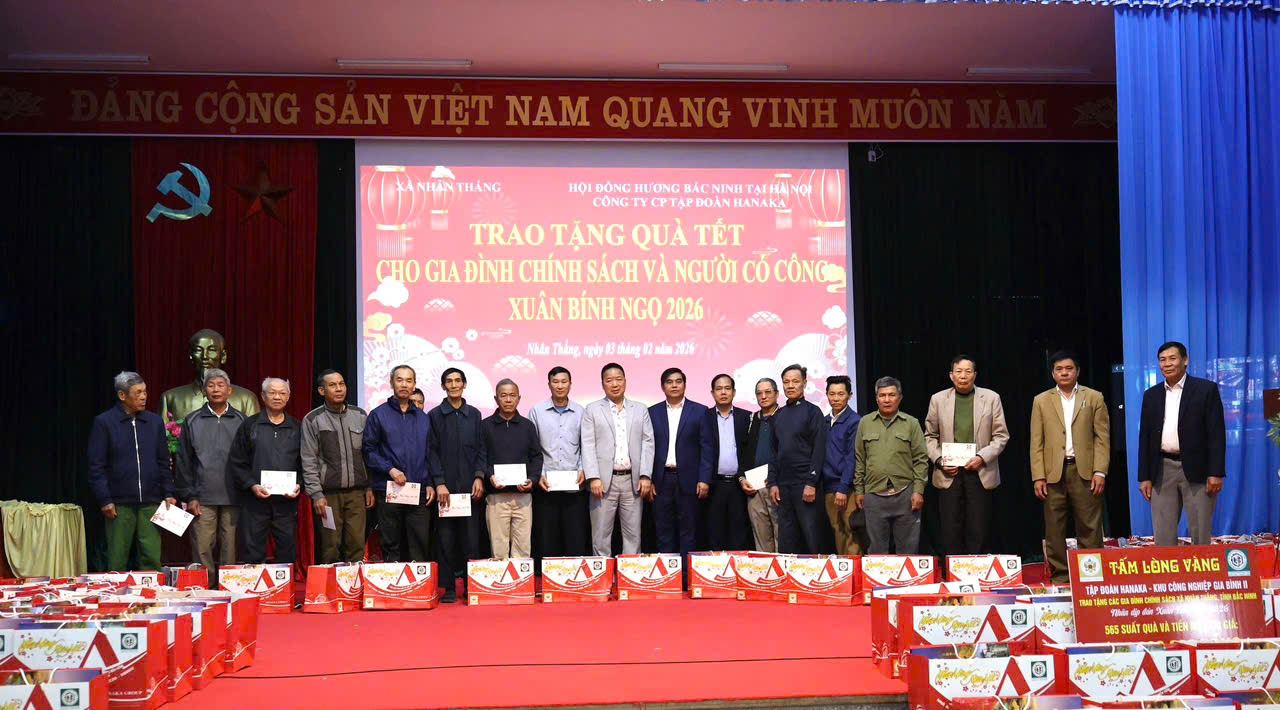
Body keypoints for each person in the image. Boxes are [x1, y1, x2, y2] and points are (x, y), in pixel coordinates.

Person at [1030, 351, 1110, 583]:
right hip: (1052, 474)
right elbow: (1036, 442)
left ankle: (1091, 577)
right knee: (1054, 529)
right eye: (1059, 369)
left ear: (1077, 371)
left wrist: (1100, 471)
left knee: (1089, 527)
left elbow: (1102, 438)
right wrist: (1038, 476)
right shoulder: (1041, 400)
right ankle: (1061, 579)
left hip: (1085, 472)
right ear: (1053, 373)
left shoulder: (1094, 397)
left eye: (1069, 368)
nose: (1064, 373)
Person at [1138, 341, 1226, 546]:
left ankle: (1201, 567)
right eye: (1162, 360)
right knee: (1163, 535)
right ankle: (1167, 568)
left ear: (1185, 360)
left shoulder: (1205, 390)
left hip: (1198, 469)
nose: (1167, 364)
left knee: (1200, 532)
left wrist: (1215, 472)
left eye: (1172, 358)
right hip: (1162, 469)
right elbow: (1145, 438)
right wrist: (1145, 477)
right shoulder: (1151, 395)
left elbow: (1216, 434)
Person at [88, 371, 176, 571]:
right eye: (138, 393)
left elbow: (164, 462)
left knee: (151, 556)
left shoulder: (154, 422)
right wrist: (104, 499)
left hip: (152, 501)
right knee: (117, 558)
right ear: (122, 395)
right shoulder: (104, 422)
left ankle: (152, 589)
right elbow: (96, 466)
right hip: (119, 504)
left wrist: (169, 492)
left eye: (145, 392)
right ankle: (117, 591)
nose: (144, 397)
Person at [924, 355, 1010, 557]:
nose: (963, 376)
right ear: (951, 375)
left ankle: (976, 568)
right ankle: (953, 570)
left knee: (978, 527)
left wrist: (981, 457)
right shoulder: (938, 399)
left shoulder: (991, 398)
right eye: (959, 372)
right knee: (950, 528)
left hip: (980, 470)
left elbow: (1001, 435)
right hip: (949, 472)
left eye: (968, 371)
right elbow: (929, 436)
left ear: (975, 375)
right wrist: (940, 460)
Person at [176, 368, 248, 574]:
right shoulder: (192, 420)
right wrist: (190, 495)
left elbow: (249, 460)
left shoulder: (242, 421)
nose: (216, 390)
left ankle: (228, 585)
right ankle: (204, 585)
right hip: (202, 497)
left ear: (229, 390)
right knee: (202, 546)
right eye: (211, 385)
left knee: (231, 547)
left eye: (220, 385)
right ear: (203, 390)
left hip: (234, 496)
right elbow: (184, 462)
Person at [581, 363, 655, 557]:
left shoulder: (640, 409)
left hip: (633, 481)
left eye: (618, 379)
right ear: (602, 384)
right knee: (601, 535)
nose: (614, 384)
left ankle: (629, 572)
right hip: (603, 482)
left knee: (633, 535)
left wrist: (645, 475)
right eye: (609, 380)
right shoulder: (592, 409)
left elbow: (648, 443)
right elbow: (587, 445)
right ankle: (602, 573)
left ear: (625, 381)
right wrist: (593, 477)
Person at [364, 365, 435, 563]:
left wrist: (430, 482)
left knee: (419, 544)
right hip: (389, 489)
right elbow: (369, 451)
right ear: (391, 383)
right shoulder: (378, 414)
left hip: (418, 491)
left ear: (414, 385)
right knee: (391, 544)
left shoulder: (423, 418)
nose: (404, 384)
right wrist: (390, 469)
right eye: (399, 380)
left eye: (409, 380)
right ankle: (393, 582)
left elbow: (430, 454)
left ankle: (419, 583)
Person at [228, 377, 303, 565]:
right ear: (263, 396)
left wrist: (299, 484)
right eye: (272, 392)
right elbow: (237, 462)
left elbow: (306, 463)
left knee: (287, 549)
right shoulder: (249, 425)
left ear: (288, 397)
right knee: (253, 550)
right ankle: (255, 583)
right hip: (255, 501)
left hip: (286, 502)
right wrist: (252, 485)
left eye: (282, 393)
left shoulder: (298, 427)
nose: (277, 397)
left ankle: (285, 583)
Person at [302, 369, 373, 564]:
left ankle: (354, 583)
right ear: (321, 391)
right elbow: (308, 459)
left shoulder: (360, 415)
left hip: (357, 494)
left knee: (356, 544)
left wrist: (369, 486)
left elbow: (368, 454)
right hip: (328, 496)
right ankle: (330, 584)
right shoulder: (313, 419)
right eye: (333, 385)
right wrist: (316, 494)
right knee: (330, 545)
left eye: (341, 384)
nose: (339, 389)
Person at [851, 376, 928, 554]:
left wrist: (918, 490)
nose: (887, 399)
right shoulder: (865, 423)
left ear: (900, 398)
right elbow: (860, 459)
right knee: (876, 552)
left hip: (906, 494)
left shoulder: (911, 423)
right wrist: (859, 490)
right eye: (882, 395)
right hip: (873, 495)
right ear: (876, 398)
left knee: (908, 551)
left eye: (891, 395)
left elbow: (921, 459)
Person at [429, 367, 487, 602]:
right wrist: (439, 483)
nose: (453, 385)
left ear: (464, 384)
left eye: (457, 381)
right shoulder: (434, 415)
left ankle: (472, 587)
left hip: (470, 489)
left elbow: (482, 449)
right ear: (443, 386)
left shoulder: (474, 414)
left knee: (471, 540)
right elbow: (431, 452)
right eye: (449, 381)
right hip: (446, 490)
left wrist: (479, 476)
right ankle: (450, 588)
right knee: (446, 540)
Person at [766, 364, 828, 554]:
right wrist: (773, 483)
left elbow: (819, 450)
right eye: (786, 382)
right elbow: (774, 453)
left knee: (812, 538)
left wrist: (811, 482)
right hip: (783, 486)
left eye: (795, 381)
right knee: (787, 541)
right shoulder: (778, 415)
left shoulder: (813, 412)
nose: (790, 385)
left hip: (806, 485)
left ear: (805, 383)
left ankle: (817, 573)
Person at [530, 367, 588, 559]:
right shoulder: (537, 411)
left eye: (564, 382)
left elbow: (586, 445)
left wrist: (583, 469)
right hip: (546, 485)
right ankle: (550, 576)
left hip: (575, 485)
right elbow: (533, 448)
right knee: (548, 538)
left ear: (570, 384)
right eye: (555, 382)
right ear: (549, 385)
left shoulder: (581, 412)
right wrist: (539, 474)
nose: (560, 386)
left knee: (575, 537)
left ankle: (575, 575)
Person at [649, 368, 708, 557]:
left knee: (688, 530)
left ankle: (685, 573)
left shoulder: (700, 411)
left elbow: (707, 447)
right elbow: (647, 448)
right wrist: (648, 478)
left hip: (690, 480)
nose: (674, 385)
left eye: (678, 381)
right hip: (661, 480)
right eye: (669, 382)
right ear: (662, 387)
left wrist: (704, 479)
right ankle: (668, 572)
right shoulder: (652, 412)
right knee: (663, 530)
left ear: (685, 384)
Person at [481, 379, 543, 559]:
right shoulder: (485, 426)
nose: (508, 400)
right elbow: (481, 457)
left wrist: (532, 479)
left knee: (523, 549)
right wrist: (490, 476)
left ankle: (521, 579)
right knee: (498, 550)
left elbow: (536, 457)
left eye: (512, 395)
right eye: (503, 395)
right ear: (496, 398)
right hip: (496, 496)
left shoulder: (528, 426)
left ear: (519, 398)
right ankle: (501, 578)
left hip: (523, 496)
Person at [159, 328, 260, 422]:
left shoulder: (246, 399)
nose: (205, 357)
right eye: (198, 350)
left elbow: (255, 433)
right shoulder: (170, 398)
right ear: (191, 355)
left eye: (212, 350)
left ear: (223, 356)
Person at [700, 374, 750, 551]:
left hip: (739, 485)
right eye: (719, 389)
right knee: (714, 532)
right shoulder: (704, 416)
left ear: (734, 392)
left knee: (739, 532)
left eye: (727, 388)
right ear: (712, 393)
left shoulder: (747, 417)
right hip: (714, 484)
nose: (723, 392)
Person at [824, 375, 864, 556]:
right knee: (837, 531)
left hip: (847, 488)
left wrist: (843, 488)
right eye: (832, 394)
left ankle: (855, 571)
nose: (836, 398)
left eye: (841, 394)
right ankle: (843, 570)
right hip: (828, 487)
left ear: (850, 395)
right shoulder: (824, 421)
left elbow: (852, 457)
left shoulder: (855, 421)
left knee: (851, 531)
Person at [742, 378, 781, 552]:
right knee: (760, 536)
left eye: (768, 392)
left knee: (781, 534)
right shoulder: (751, 419)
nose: (763, 396)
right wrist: (742, 478)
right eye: (759, 393)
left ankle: (782, 569)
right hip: (754, 486)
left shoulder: (785, 417)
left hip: (777, 485)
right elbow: (743, 453)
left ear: (777, 394)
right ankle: (765, 569)